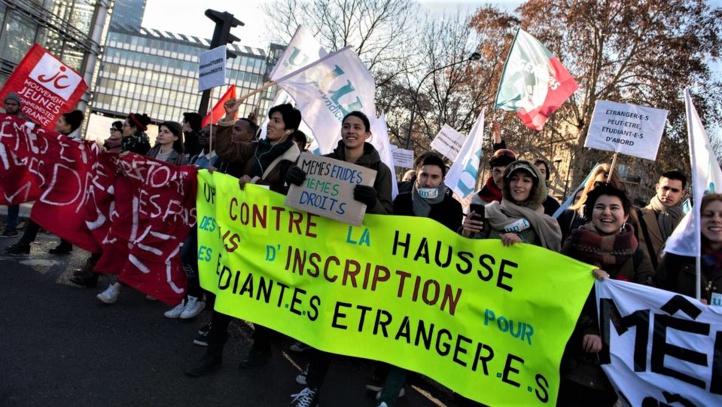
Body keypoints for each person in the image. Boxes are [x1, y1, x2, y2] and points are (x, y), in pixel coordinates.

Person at [185, 100, 303, 377]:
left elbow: (287, 196)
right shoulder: (256, 148)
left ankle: (261, 348)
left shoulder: (295, 159)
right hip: (239, 235)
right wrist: (228, 116)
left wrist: (258, 186)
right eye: (271, 118)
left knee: (258, 296)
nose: (271, 123)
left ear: (288, 130)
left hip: (267, 240)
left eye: (277, 120)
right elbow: (225, 148)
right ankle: (213, 353)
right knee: (226, 289)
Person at [285, 110, 393, 407]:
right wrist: (291, 179)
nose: (351, 131)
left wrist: (373, 205)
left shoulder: (380, 171)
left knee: (332, 319)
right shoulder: (323, 163)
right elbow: (301, 199)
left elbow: (388, 216)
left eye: (357, 127)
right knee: (317, 314)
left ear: (367, 135)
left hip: (355, 257)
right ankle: (313, 374)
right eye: (346, 126)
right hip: (324, 250)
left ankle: (314, 383)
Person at [375, 152, 463, 407]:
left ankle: (389, 395)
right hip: (396, 281)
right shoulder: (401, 201)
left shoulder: (452, 207)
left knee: (409, 337)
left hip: (428, 287)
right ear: (417, 173)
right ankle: (386, 381)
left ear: (443, 180)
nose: (428, 181)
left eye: (435, 177)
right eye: (424, 175)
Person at [557, 184, 654, 406]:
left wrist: (604, 331)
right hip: (569, 357)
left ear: (625, 214)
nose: (607, 213)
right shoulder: (571, 247)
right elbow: (561, 293)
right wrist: (588, 327)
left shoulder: (638, 258)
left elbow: (641, 307)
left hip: (612, 368)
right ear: (590, 212)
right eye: (600, 207)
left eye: (614, 207)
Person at [96, 121, 188, 304]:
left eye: (166, 132)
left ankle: (118, 287)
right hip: (144, 209)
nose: (161, 134)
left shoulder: (180, 159)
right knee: (135, 247)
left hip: (164, 215)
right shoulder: (150, 154)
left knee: (148, 251)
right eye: (160, 131)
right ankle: (121, 286)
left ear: (176, 137)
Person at [4, 110, 85, 256]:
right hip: (52, 187)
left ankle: (24, 244)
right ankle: (66, 245)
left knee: (37, 213)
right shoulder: (54, 139)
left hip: (60, 189)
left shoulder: (71, 145)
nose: (56, 123)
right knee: (59, 218)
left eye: (60, 122)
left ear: (68, 127)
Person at [163, 125, 221, 320]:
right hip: (190, 215)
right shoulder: (196, 158)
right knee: (183, 257)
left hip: (207, 220)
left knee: (190, 257)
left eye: (208, 134)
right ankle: (186, 297)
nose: (203, 136)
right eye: (202, 132)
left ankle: (196, 297)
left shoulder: (219, 160)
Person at [461, 160, 562, 251]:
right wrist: (466, 233)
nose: (518, 184)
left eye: (526, 180)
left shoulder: (545, 224)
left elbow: (548, 261)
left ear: (534, 186)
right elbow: (469, 250)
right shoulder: (491, 212)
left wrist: (522, 244)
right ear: (507, 184)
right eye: (514, 179)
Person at [655, 193, 722, 303]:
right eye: (708, 214)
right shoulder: (675, 258)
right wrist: (690, 309)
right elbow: (656, 300)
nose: (716, 220)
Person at [556, 163, 627, 243]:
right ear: (590, 187)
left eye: (610, 186)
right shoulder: (570, 215)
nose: (604, 190)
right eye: (598, 185)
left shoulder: (630, 221)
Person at [635, 170, 687, 269]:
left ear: (682, 193)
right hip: (639, 278)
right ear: (657, 188)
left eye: (674, 190)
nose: (668, 194)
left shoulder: (688, 223)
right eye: (665, 188)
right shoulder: (637, 216)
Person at [1, 92, 28, 238]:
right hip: (2, 162)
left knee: (12, 197)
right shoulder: (2, 120)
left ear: (19, 106)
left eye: (13, 104)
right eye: (8, 104)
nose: (10, 107)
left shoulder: (24, 122)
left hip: (15, 167)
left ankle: (11, 227)